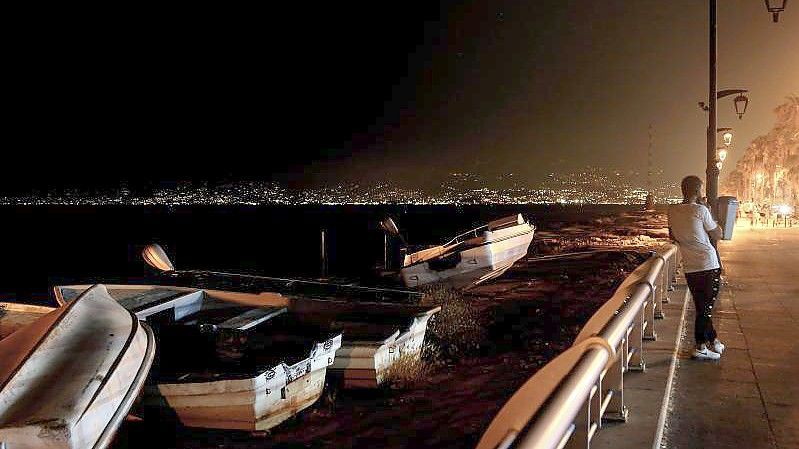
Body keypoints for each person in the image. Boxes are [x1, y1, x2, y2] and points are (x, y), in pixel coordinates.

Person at [668, 176, 725, 360]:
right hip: (708, 264)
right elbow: (718, 233)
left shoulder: (672, 210)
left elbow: (672, 235)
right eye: (700, 189)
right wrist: (709, 212)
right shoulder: (701, 210)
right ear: (697, 191)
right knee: (705, 308)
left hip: (690, 267)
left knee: (702, 306)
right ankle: (700, 346)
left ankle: (713, 340)